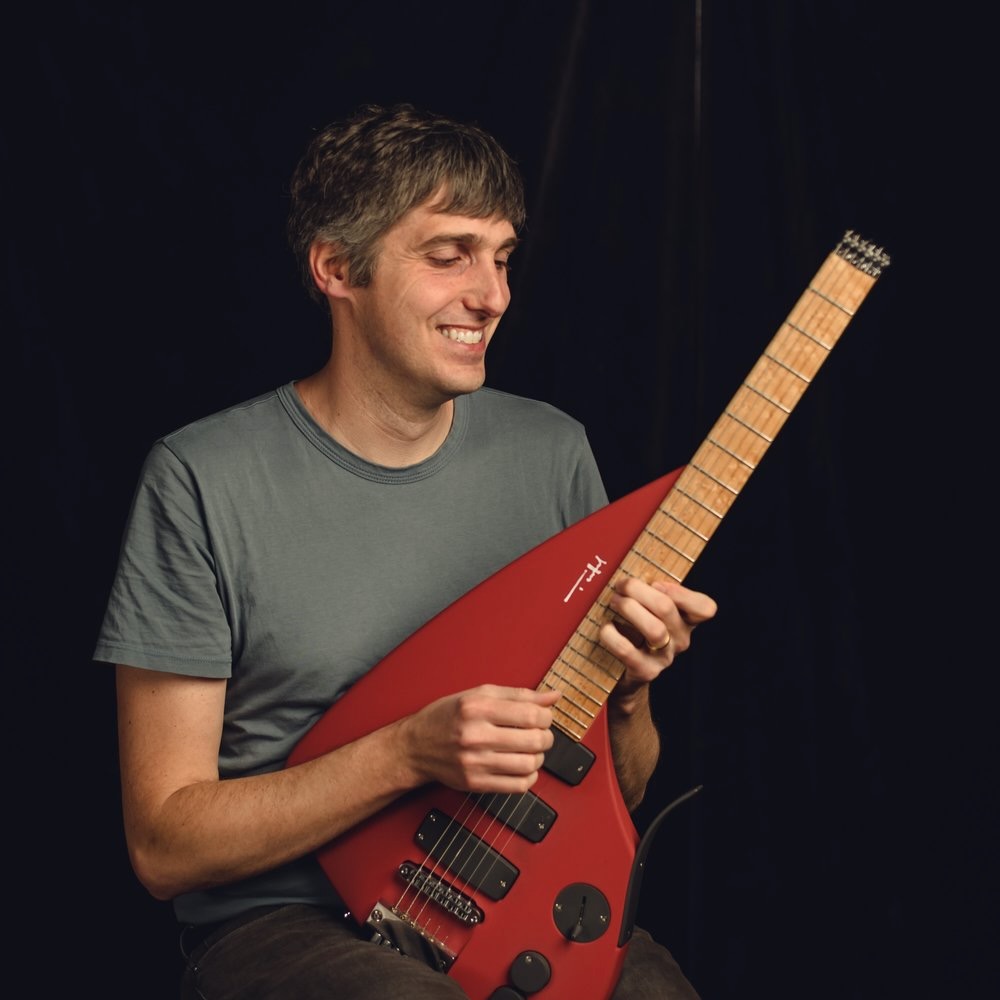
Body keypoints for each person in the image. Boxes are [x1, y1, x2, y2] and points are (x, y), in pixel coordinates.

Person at [94, 102, 717, 999]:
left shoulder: (552, 452)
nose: (492, 294)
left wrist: (629, 696)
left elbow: (618, 791)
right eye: (448, 254)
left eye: (501, 256)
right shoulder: (200, 478)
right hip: (282, 924)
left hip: (517, 895)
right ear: (337, 268)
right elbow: (164, 846)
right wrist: (407, 753)